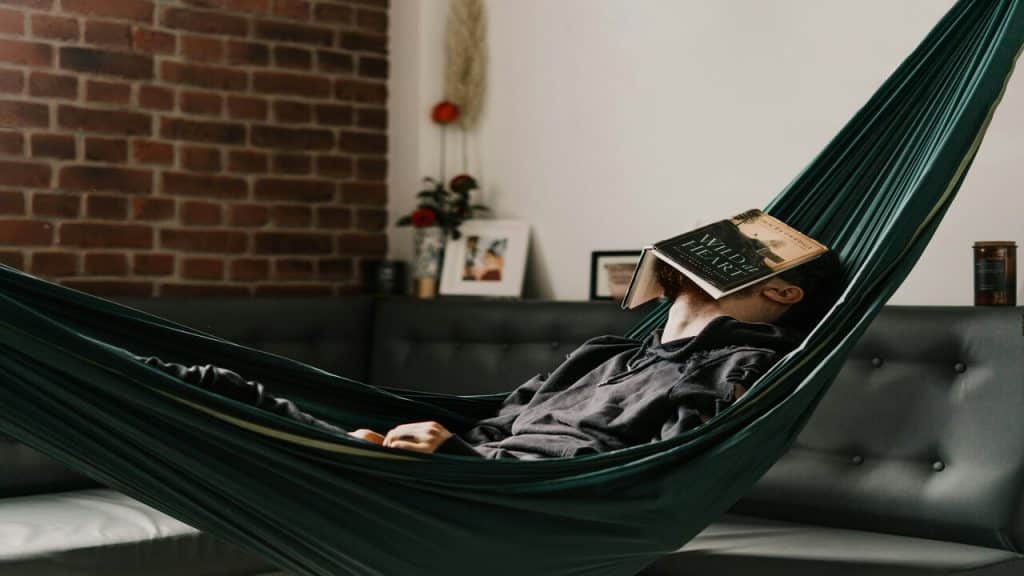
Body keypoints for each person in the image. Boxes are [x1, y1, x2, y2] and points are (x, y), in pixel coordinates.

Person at [136, 251, 840, 459]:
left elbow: (659, 477)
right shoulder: (607, 351)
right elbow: (501, 424)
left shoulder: (745, 369)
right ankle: (59, 368)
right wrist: (408, 442)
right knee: (213, 388)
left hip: (513, 504)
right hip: (455, 477)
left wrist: (464, 467)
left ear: (781, 288)